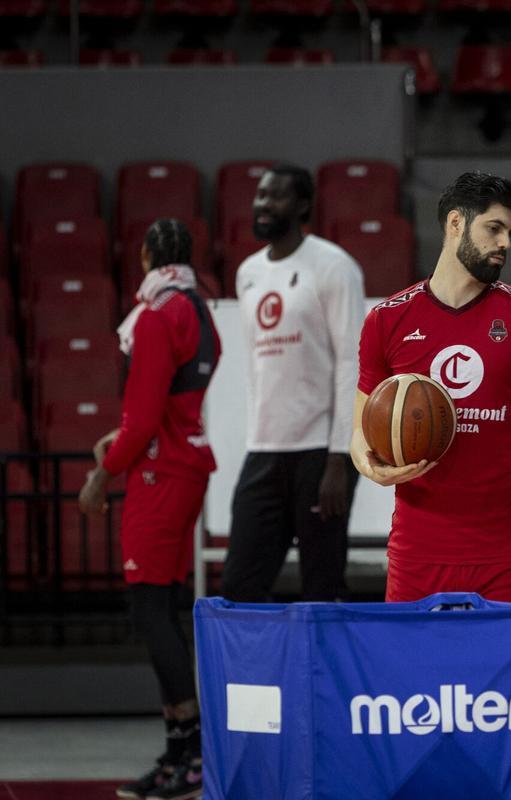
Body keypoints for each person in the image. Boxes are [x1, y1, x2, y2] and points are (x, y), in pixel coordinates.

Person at [350, 170, 511, 604]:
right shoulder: (386, 320)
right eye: (494, 228)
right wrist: (374, 468)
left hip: (504, 548)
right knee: (412, 672)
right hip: (418, 547)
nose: (505, 244)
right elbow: (360, 435)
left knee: (508, 674)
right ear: (456, 223)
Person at [79, 218, 220, 800]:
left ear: (143, 257)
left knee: (149, 611)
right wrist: (131, 435)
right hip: (186, 465)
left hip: (160, 475)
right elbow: (169, 403)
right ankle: (184, 754)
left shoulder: (159, 316)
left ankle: (186, 756)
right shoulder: (199, 308)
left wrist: (100, 477)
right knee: (164, 608)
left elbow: (141, 421)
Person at [220, 163, 365, 602]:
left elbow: (351, 362)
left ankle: (325, 672)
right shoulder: (247, 273)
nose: (263, 205)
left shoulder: (334, 266)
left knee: (322, 586)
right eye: (260, 195)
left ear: (302, 205)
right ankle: (261, 672)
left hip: (321, 454)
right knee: (239, 587)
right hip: (265, 449)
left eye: (275, 196)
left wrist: (340, 459)